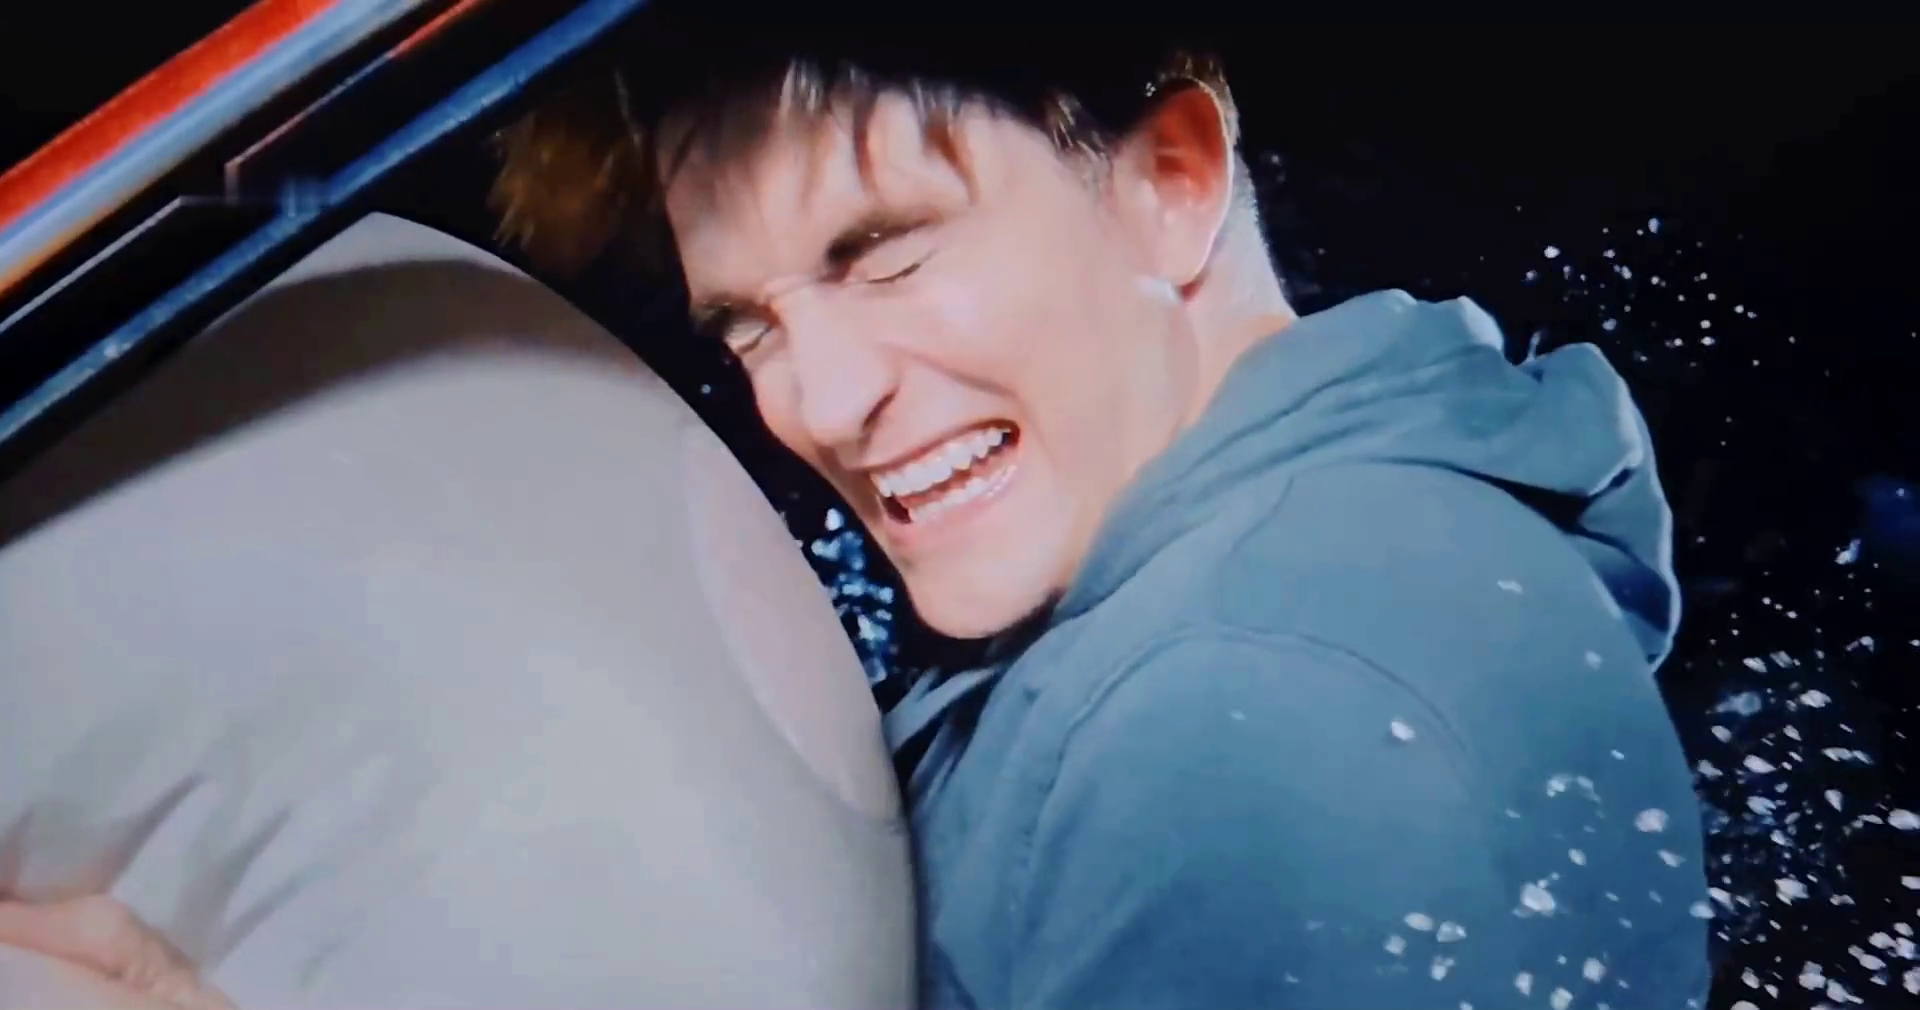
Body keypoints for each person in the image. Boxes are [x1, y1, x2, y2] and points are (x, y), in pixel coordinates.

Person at [0, 12, 1712, 1009]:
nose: (816, 400)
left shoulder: (1269, 724)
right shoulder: (1238, 594)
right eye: (749, 323)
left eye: (884, 254)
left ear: (1170, 181)